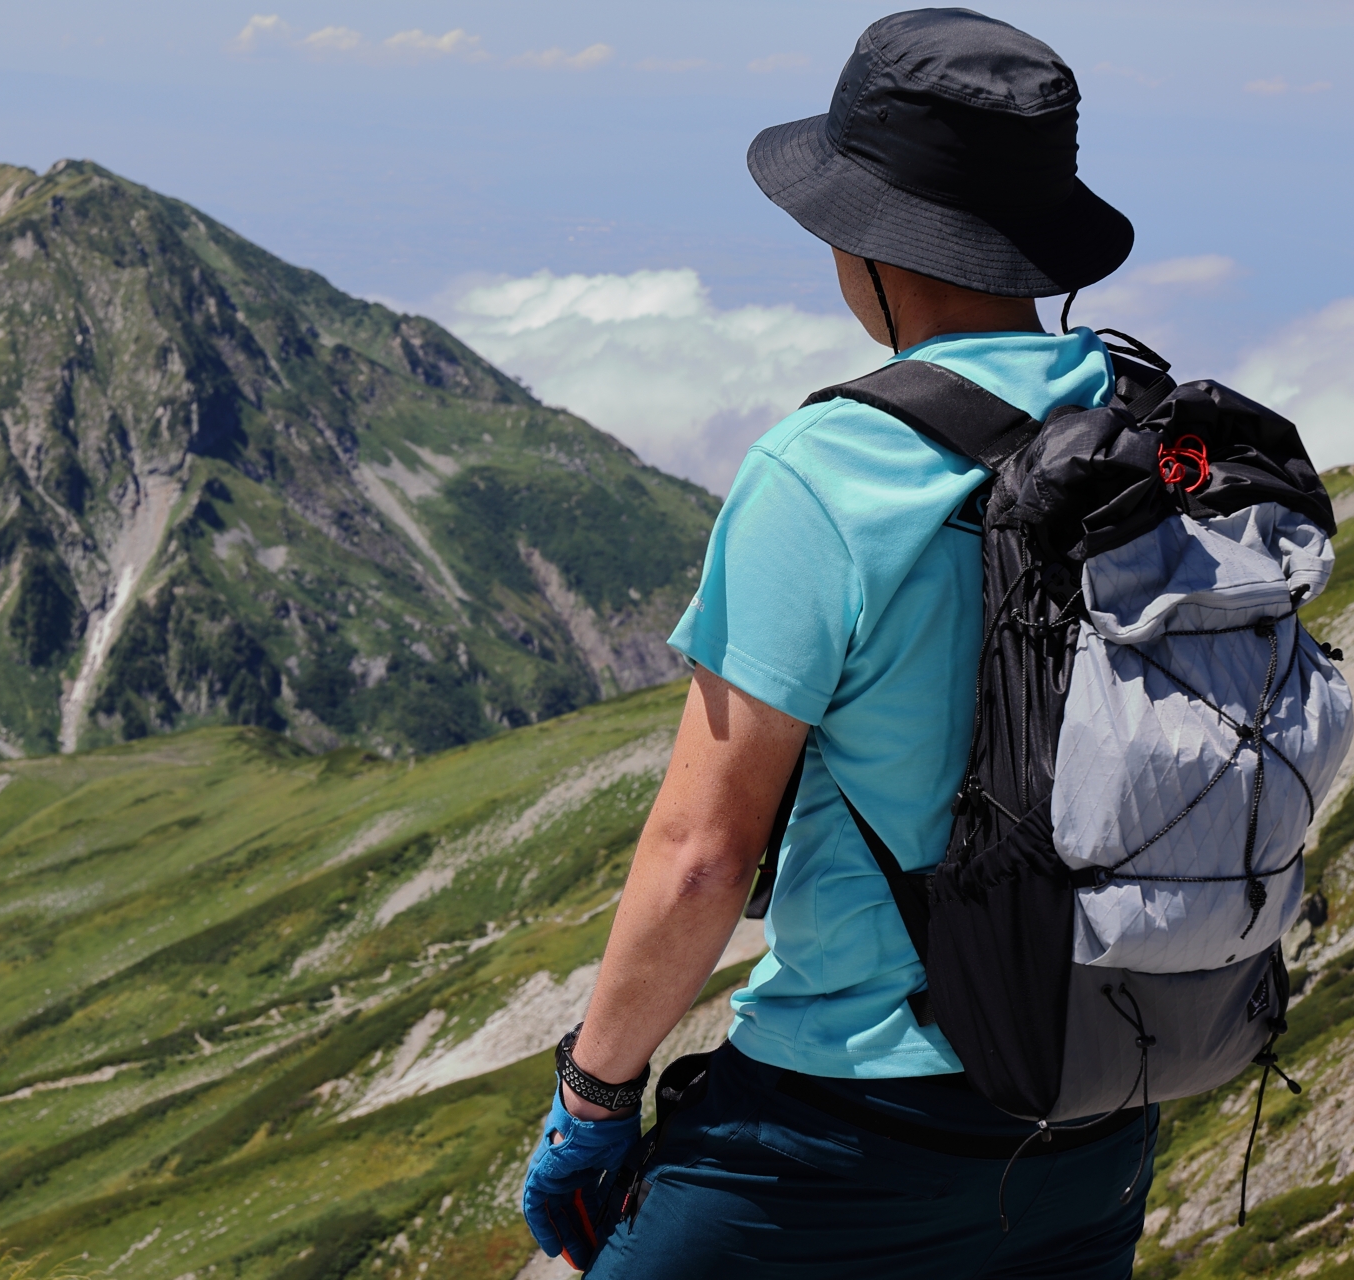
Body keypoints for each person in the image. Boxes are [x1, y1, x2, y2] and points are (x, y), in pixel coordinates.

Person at [521, 10, 1156, 1278]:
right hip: (1094, 1114)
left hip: (837, 1133)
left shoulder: (828, 469)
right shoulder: (1144, 427)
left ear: (867, 236)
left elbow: (703, 859)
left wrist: (591, 1101)